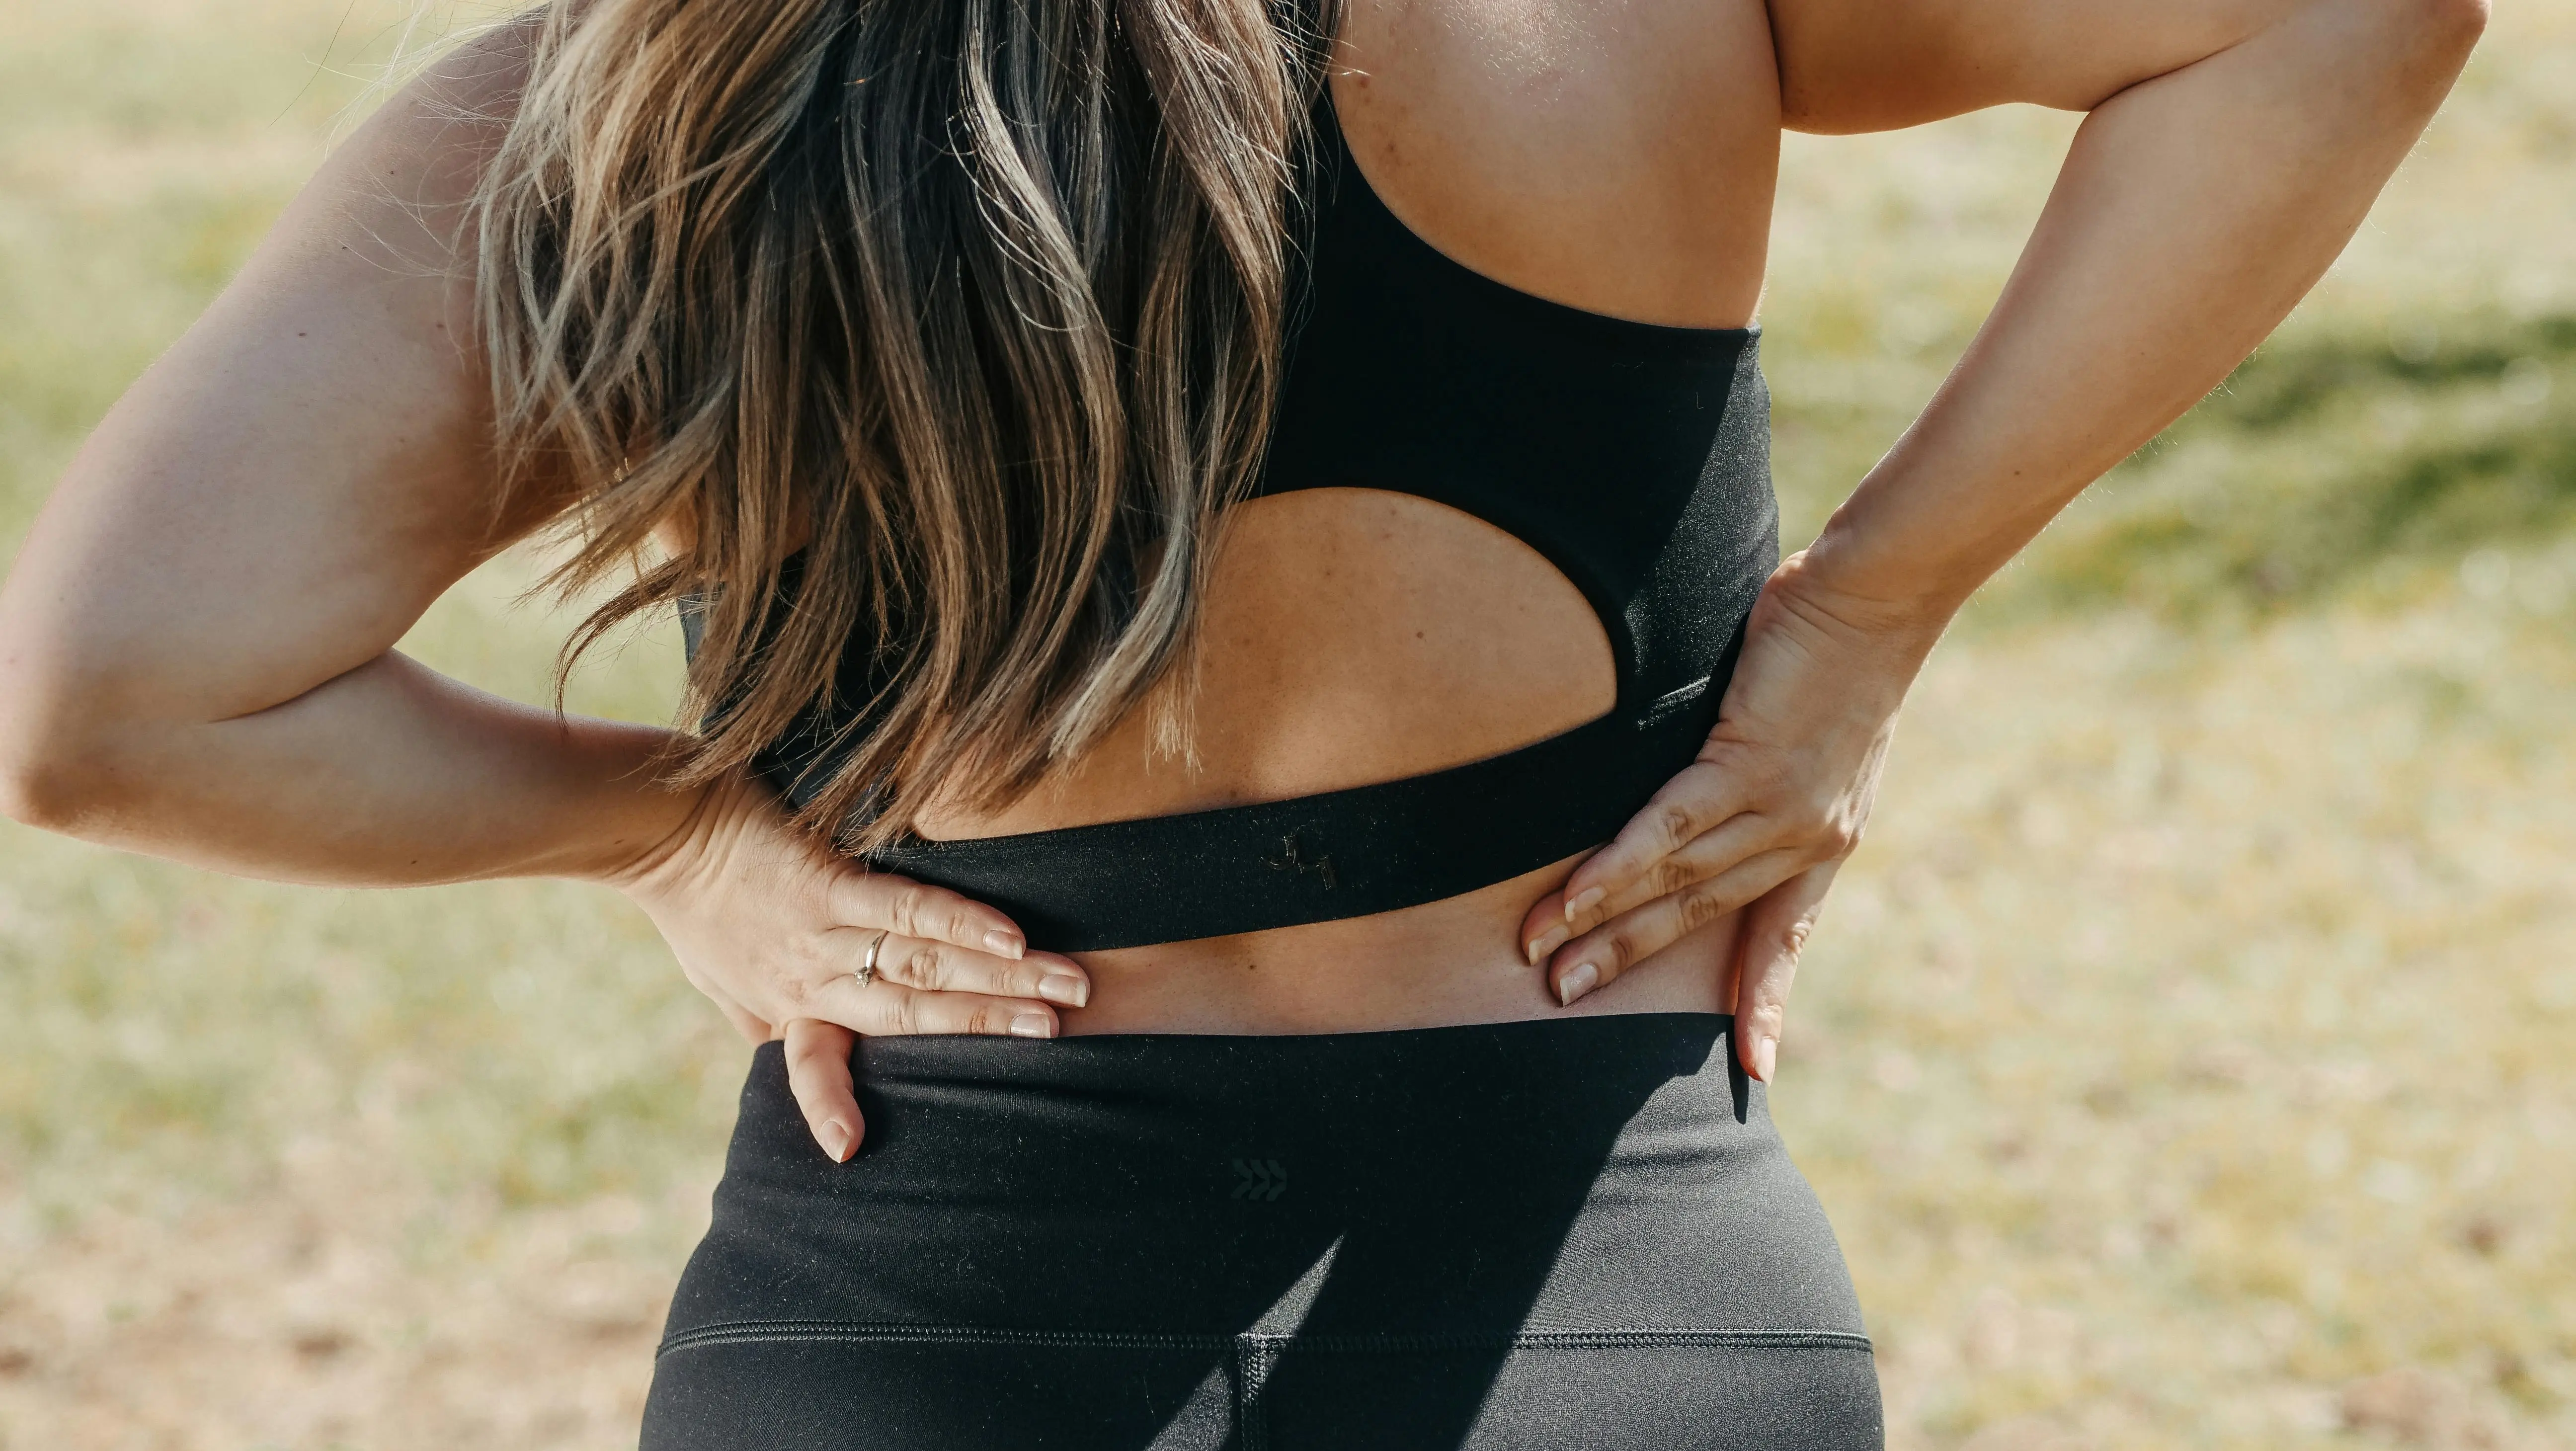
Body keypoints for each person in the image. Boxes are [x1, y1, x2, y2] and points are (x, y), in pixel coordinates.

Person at [0, 0, 2480, 1443]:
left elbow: (111, 704)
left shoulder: (625, 98)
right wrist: (1864, 621)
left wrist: (665, 836)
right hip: (1616, 1315)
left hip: (923, 1336)